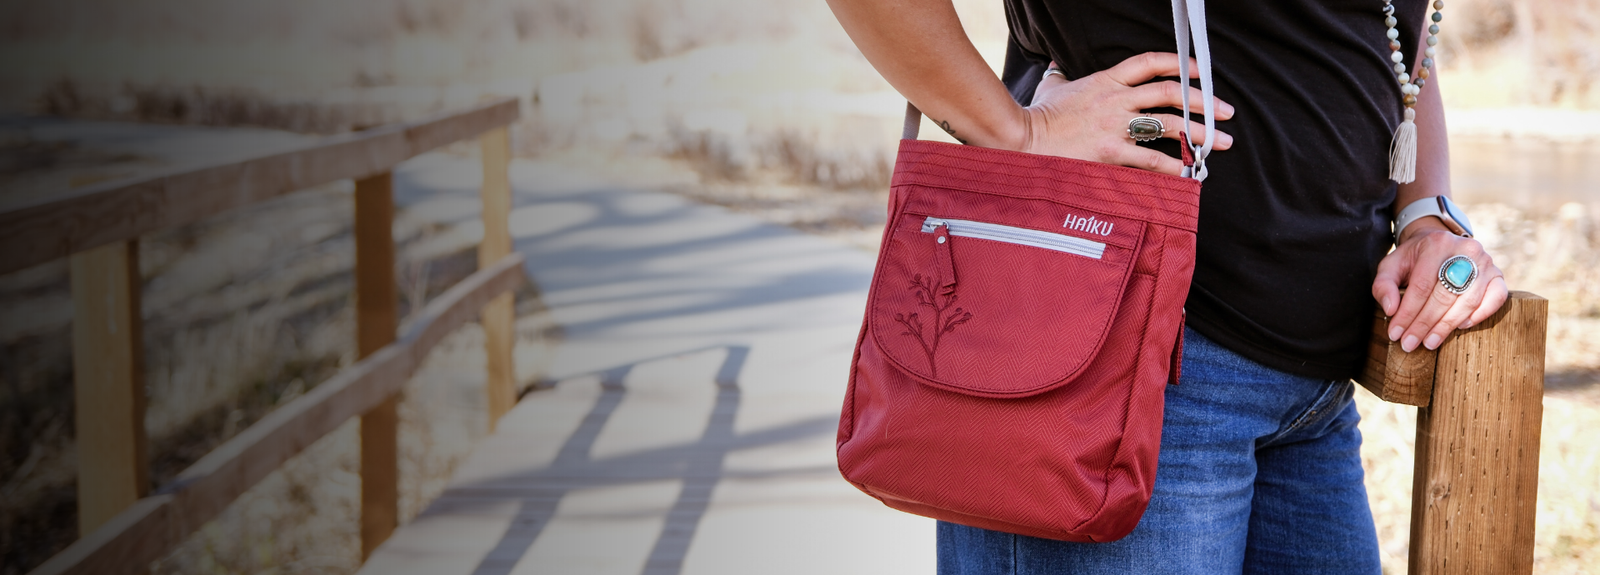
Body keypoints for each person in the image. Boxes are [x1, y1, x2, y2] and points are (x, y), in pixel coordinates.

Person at [824, 0, 1509, 573]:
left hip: (1316, 398)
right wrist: (1015, 131)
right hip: (1122, 360)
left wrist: (1424, 214)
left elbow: (1390, 40)